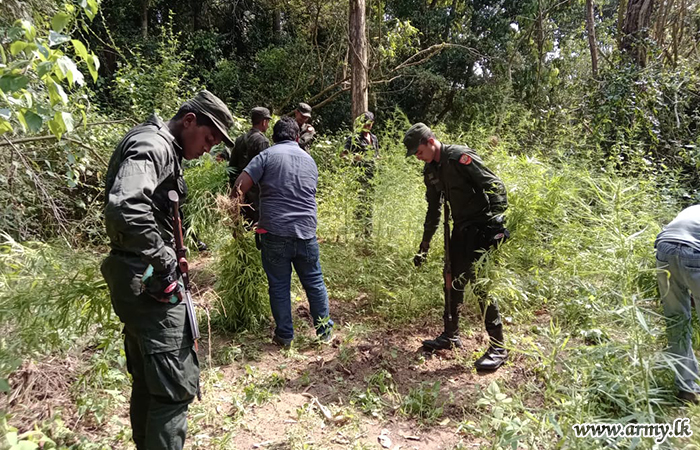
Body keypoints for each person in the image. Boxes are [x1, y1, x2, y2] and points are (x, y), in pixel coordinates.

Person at [101, 90, 234, 450]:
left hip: (140, 278)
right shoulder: (154, 146)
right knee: (174, 387)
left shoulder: (159, 146)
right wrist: (164, 261)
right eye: (209, 138)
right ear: (189, 120)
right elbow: (126, 207)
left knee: (150, 379)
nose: (209, 149)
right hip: (148, 282)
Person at [404, 123, 509, 371]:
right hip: (460, 229)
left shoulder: (459, 157)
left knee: (482, 285)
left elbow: (495, 185)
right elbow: (433, 210)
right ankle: (450, 335)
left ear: (430, 142)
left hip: (483, 228)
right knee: (451, 278)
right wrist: (424, 245)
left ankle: (498, 347)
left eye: (419, 152)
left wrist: (497, 223)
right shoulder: (431, 170)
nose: (418, 158)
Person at [232, 116, 333, 347]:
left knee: (278, 284)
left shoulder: (266, 156)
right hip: (306, 233)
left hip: (274, 232)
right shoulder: (309, 160)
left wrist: (235, 221)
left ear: (273, 137)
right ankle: (325, 332)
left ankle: (285, 336)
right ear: (297, 137)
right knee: (315, 282)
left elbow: (239, 187)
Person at [655, 205, 700, 405]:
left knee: (676, 319)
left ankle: (686, 388)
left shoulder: (692, 209)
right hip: (695, 252)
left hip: (664, 249)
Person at [228, 107, 272, 223]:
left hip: (240, 188)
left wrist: (233, 188)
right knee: (256, 224)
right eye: (267, 122)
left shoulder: (240, 139)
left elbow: (232, 167)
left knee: (242, 222)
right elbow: (266, 168)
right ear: (264, 122)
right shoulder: (262, 141)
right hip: (256, 192)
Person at [343, 111, 379, 236]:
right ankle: (358, 234)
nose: (367, 126)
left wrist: (378, 159)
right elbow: (343, 155)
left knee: (369, 205)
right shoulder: (354, 138)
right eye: (365, 124)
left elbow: (376, 155)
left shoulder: (374, 139)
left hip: (371, 176)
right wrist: (354, 157)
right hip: (359, 176)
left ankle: (368, 234)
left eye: (369, 124)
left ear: (372, 124)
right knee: (360, 206)